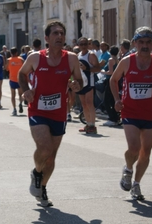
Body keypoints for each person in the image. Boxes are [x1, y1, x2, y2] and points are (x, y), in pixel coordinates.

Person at [18, 21, 83, 207]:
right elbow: (21, 75)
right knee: (44, 148)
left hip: (59, 112)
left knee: (52, 156)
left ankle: (43, 187)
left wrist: (77, 85)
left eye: (62, 33)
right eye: (55, 33)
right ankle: (37, 173)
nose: (59, 36)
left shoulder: (71, 58)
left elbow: (79, 80)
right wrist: (26, 90)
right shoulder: (35, 58)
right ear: (46, 38)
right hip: (37, 109)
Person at [110, 26, 152, 200]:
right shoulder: (127, 61)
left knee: (146, 152)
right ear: (135, 43)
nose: (145, 45)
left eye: (148, 42)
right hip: (130, 111)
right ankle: (128, 168)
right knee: (134, 148)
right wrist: (117, 100)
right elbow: (113, 80)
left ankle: (136, 184)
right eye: (141, 42)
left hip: (150, 113)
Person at [76, 37, 101, 134]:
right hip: (81, 82)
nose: (83, 46)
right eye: (81, 44)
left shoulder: (91, 55)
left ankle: (92, 125)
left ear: (88, 45)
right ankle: (88, 123)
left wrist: (87, 68)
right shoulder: (78, 55)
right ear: (78, 45)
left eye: (85, 44)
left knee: (89, 103)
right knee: (84, 104)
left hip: (89, 82)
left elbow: (97, 69)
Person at [101, 45, 120, 127]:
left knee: (106, 101)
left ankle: (112, 118)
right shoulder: (117, 59)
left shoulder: (111, 59)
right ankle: (116, 118)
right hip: (116, 81)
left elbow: (110, 72)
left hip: (110, 81)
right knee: (112, 100)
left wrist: (102, 72)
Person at [6, 47, 24, 116]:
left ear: (11, 53)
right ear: (17, 52)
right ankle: (20, 103)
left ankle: (14, 109)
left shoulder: (9, 60)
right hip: (19, 79)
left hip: (12, 79)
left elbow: (6, 68)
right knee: (20, 94)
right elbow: (24, 68)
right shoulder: (21, 59)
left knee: (13, 95)